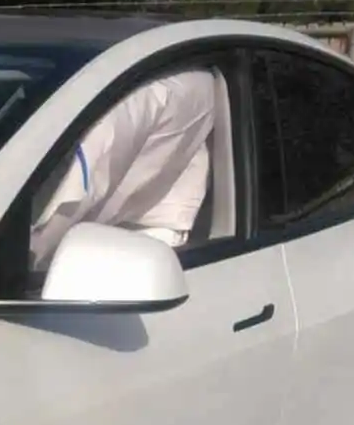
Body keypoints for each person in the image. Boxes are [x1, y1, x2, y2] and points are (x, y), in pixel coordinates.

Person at [30, 69, 218, 273]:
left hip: (134, 252)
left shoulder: (139, 101)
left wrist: (32, 251)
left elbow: (69, 203)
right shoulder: (195, 78)